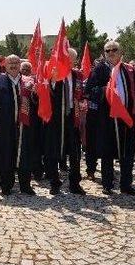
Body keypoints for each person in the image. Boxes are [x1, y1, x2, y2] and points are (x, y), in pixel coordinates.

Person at [85, 41, 135, 195]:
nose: (111, 52)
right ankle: (107, 184)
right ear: (104, 53)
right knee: (107, 153)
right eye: (107, 50)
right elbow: (89, 90)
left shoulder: (130, 70)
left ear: (120, 51)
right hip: (107, 118)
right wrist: (107, 90)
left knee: (127, 152)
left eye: (114, 50)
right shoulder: (99, 70)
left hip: (127, 117)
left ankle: (126, 184)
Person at [0, 55, 36, 195]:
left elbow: (35, 104)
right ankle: (6, 186)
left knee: (25, 155)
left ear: (20, 65)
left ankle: (25, 185)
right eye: (10, 63)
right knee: (5, 156)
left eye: (16, 63)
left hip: (24, 127)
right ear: (5, 66)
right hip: (5, 128)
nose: (13, 65)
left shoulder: (28, 83)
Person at [44, 49, 86, 195]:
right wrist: (53, 81)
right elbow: (47, 94)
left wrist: (82, 102)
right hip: (56, 118)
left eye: (72, 59)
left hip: (72, 118)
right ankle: (54, 182)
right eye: (66, 59)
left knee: (75, 152)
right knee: (53, 150)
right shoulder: (53, 73)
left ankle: (75, 183)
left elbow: (82, 93)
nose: (69, 62)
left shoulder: (77, 75)